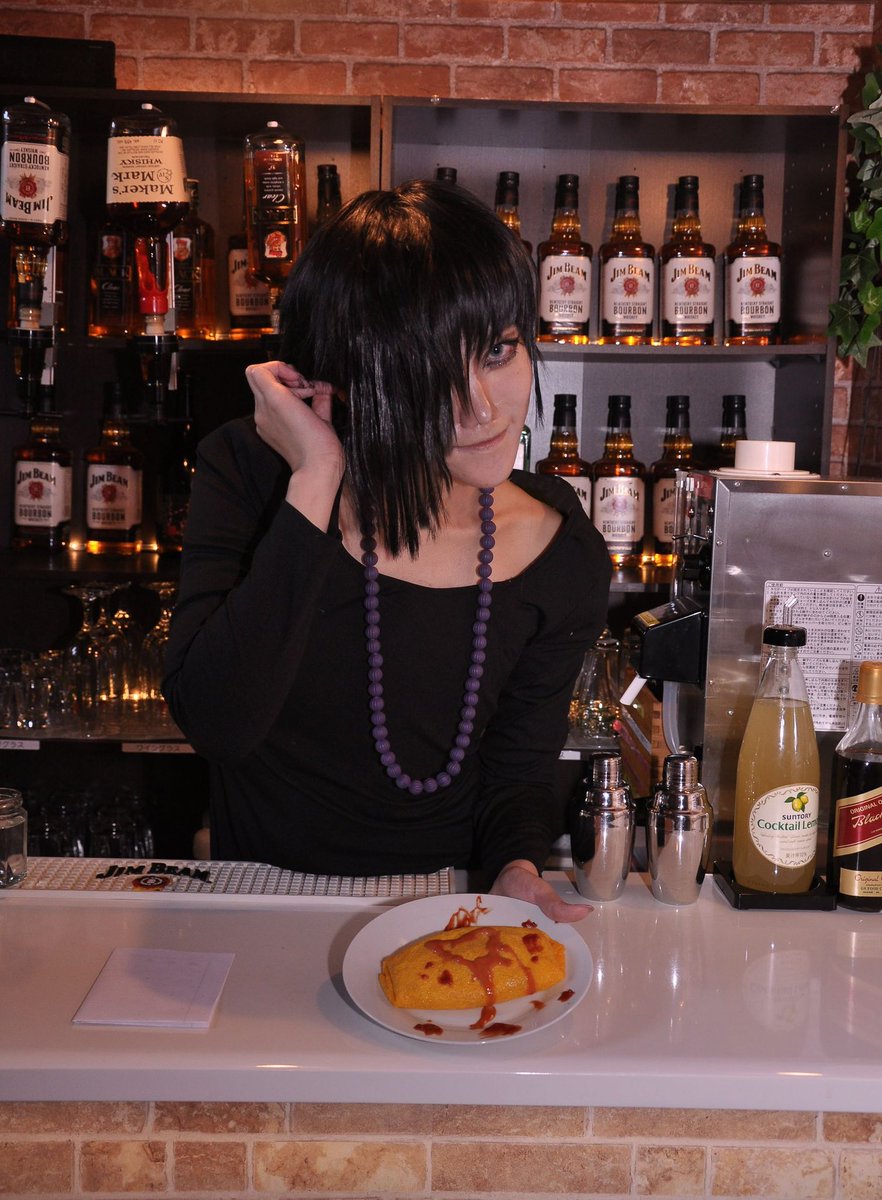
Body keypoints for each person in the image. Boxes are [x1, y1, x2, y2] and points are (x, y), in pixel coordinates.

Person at [163, 179, 611, 922]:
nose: (481, 407)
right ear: (346, 378)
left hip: (446, 909)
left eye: (497, 351)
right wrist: (317, 476)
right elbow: (217, 721)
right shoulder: (254, 473)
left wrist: (516, 867)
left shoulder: (560, 551)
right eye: (429, 375)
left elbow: (518, 770)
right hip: (258, 903)